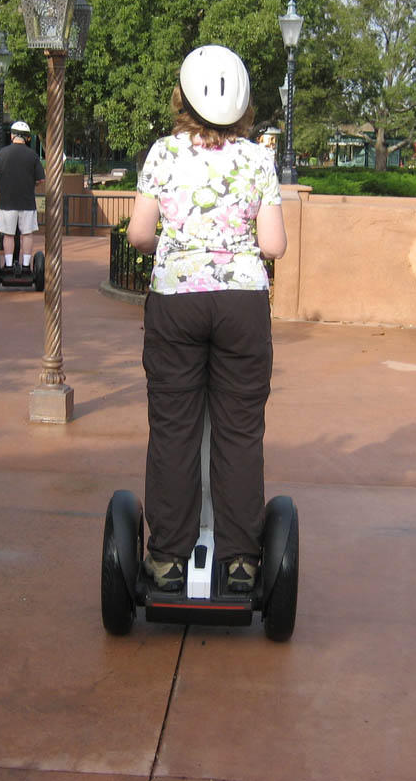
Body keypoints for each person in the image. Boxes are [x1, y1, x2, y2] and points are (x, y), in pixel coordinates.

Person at [126, 45, 287, 594]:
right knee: (240, 430)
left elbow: (138, 235)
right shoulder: (259, 159)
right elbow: (273, 245)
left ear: (183, 98)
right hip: (242, 302)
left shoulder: (163, 155)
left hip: (176, 302)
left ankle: (168, 559)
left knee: (174, 427)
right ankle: (242, 561)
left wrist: (177, 245)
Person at [0, 120, 44, 270]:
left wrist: (2, 182)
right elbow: (40, 179)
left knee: (8, 235)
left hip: (7, 202)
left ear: (12, 135)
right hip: (27, 203)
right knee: (27, 234)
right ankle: (26, 265)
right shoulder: (32, 155)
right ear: (27, 137)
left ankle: (8, 264)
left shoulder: (3, 153)